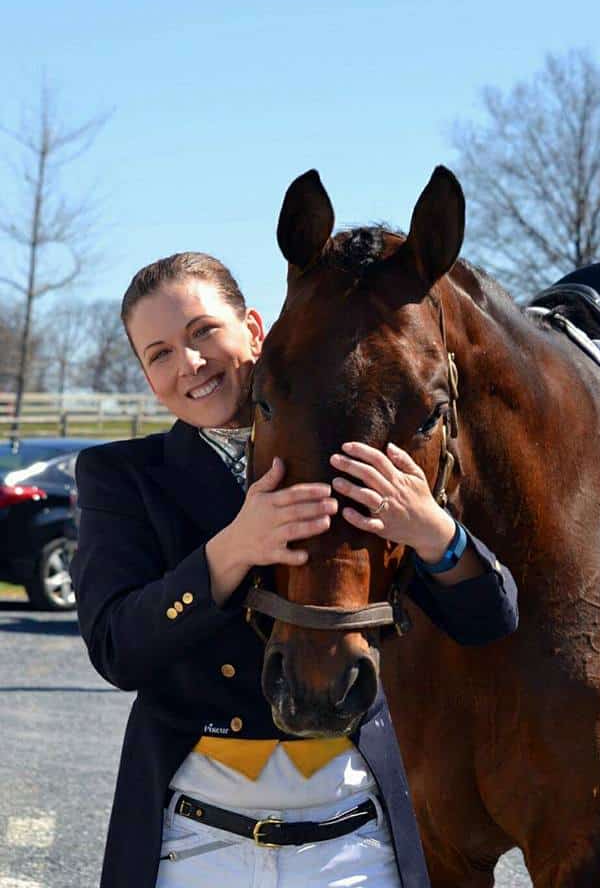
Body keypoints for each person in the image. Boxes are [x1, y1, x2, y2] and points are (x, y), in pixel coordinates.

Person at [71, 252, 519, 888]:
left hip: (354, 837)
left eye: (203, 332)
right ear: (147, 377)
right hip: (191, 839)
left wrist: (433, 532)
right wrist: (231, 551)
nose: (190, 365)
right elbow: (117, 648)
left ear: (254, 330)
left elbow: (489, 621)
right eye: (160, 353)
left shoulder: (352, 445)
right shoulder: (121, 478)